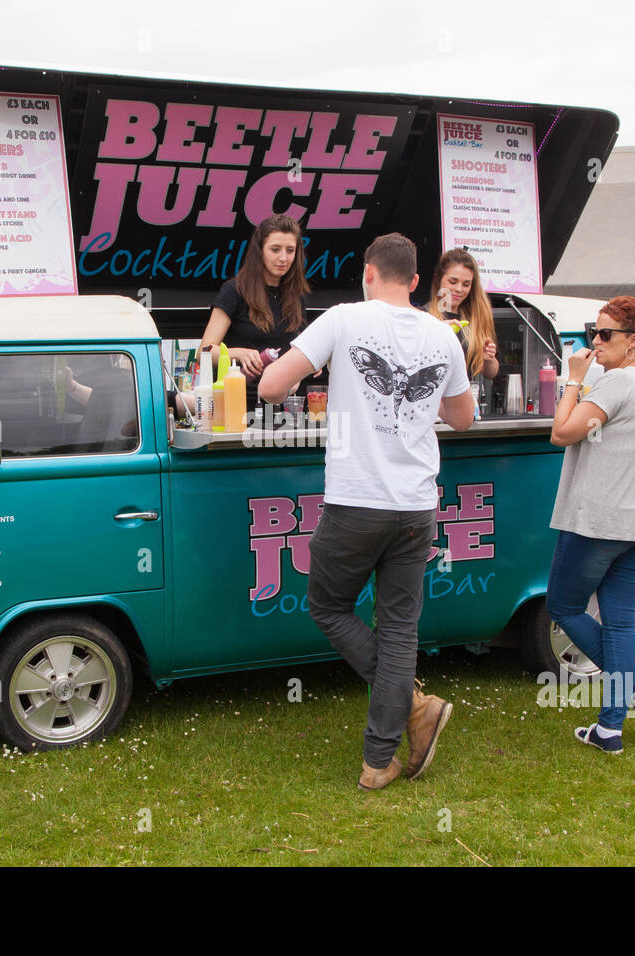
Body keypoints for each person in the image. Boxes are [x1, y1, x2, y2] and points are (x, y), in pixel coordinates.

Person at [258, 233, 474, 790]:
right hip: (416, 503)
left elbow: (272, 386)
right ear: (418, 281)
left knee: (328, 605)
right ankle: (380, 759)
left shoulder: (344, 319)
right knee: (400, 630)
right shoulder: (443, 334)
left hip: (357, 499)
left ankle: (414, 710)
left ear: (368, 273)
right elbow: (464, 418)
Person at [547, 295, 635, 754]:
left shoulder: (616, 384)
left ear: (633, 341)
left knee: (564, 606)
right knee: (619, 620)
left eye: (605, 335)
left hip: (600, 521)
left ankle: (634, 690)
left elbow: (562, 432)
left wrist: (572, 381)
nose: (595, 343)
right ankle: (610, 728)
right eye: (592, 334)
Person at [202, 214, 310, 407]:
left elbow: (303, 349)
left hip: (283, 405)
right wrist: (241, 354)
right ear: (259, 251)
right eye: (275, 249)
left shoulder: (297, 295)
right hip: (236, 404)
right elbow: (204, 351)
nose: (283, 258)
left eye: (290, 250)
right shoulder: (234, 291)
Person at [426, 248, 499, 381]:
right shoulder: (424, 316)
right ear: (438, 280)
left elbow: (491, 373)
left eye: (466, 284)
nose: (459, 289)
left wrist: (489, 359)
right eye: (452, 282)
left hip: (465, 397)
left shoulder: (476, 317)